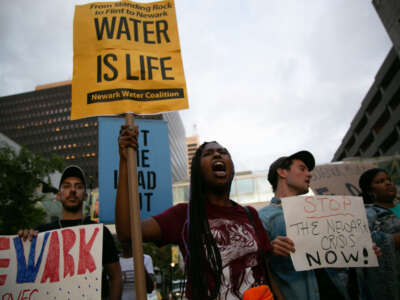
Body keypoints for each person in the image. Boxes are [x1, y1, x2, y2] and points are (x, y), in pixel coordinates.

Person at [116, 125, 281, 300]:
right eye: (208, 154)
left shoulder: (250, 215)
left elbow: (267, 273)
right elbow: (127, 232)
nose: (217, 155)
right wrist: (125, 163)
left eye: (223, 152)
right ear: (197, 171)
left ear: (231, 168)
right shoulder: (183, 215)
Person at [258, 151, 353, 300]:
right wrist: (268, 251)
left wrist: (361, 249)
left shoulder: (323, 212)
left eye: (309, 171)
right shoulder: (263, 218)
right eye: (302, 169)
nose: (309, 175)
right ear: (282, 172)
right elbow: (253, 266)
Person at [18, 165, 123, 300]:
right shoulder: (42, 233)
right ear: (58, 195)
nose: (72, 190)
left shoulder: (99, 232)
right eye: (66, 186)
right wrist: (25, 242)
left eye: (78, 186)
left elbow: (116, 278)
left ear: (85, 196)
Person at [358, 168, 399, 299]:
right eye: (380, 181)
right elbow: (368, 243)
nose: (388, 183)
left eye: (389, 180)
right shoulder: (367, 214)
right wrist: (393, 240)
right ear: (370, 191)